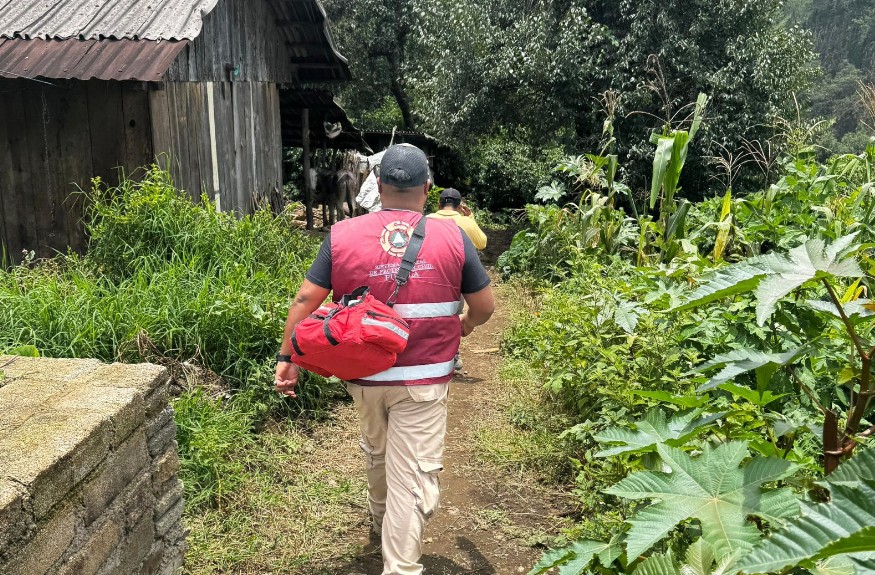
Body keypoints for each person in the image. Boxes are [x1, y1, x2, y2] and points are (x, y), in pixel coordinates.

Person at [275, 144, 495, 575]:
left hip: (363, 373)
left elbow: (306, 298)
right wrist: (463, 327)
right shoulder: (454, 236)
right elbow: (484, 307)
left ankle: (381, 521)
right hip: (425, 380)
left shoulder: (342, 235)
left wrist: (289, 357)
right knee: (411, 475)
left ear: (377, 184)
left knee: (377, 452)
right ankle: (400, 566)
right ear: (427, 189)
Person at [428, 188, 488, 371]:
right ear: (460, 206)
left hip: (429, 273)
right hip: (456, 276)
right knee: (454, 313)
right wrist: (470, 219)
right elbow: (482, 243)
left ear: (439, 205)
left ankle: (427, 352)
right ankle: (452, 355)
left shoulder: (427, 219)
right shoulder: (464, 222)